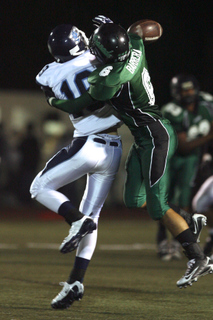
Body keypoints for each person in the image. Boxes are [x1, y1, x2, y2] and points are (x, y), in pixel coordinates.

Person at [46, 16, 213, 290]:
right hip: (145, 136)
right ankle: (185, 219)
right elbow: (142, 29)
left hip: (155, 136)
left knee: (157, 205)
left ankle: (197, 256)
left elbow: (77, 103)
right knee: (134, 200)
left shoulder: (110, 79)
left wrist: (53, 99)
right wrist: (113, 28)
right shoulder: (134, 44)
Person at [30, 23, 122, 309]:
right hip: (114, 147)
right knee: (94, 218)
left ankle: (75, 219)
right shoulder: (98, 57)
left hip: (88, 143)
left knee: (39, 187)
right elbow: (114, 51)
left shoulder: (47, 74)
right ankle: (75, 281)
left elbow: (51, 96)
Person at [156, 75, 213, 261]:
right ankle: (164, 240)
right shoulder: (172, 110)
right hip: (169, 157)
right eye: (184, 90)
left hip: (192, 158)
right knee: (165, 200)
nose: (188, 93)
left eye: (190, 89)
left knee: (186, 201)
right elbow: (183, 146)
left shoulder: (206, 105)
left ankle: (180, 241)